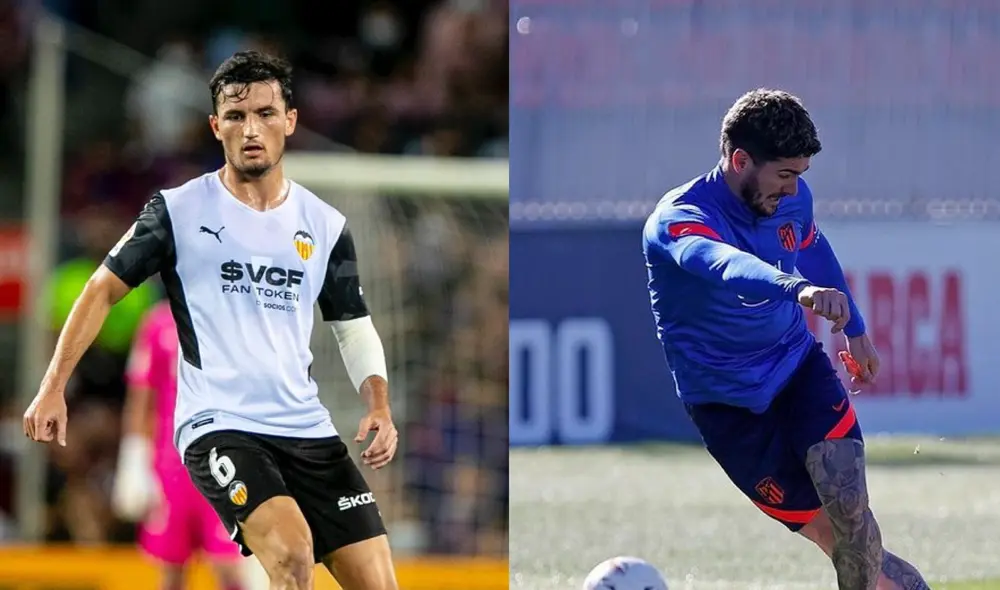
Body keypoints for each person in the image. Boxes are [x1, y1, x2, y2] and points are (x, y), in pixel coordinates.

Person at [24, 50, 400, 590]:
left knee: (379, 583)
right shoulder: (176, 211)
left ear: (290, 121)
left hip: (306, 428)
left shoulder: (325, 224)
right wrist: (53, 385)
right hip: (221, 426)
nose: (252, 128)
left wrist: (379, 405)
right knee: (292, 557)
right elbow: (101, 288)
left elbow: (352, 324)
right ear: (215, 126)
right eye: (236, 115)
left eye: (266, 113)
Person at [642, 89, 929, 590]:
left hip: (797, 370)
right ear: (740, 160)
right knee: (832, 536)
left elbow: (812, 246)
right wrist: (797, 289)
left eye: (800, 176)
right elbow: (725, 265)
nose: (794, 191)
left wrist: (855, 329)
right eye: (785, 175)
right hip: (728, 407)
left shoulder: (793, 199)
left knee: (852, 512)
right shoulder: (677, 220)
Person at [112, 300, 246, 590]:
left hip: (222, 462)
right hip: (170, 466)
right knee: (171, 568)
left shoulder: (233, 319)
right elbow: (141, 396)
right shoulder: (158, 323)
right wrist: (133, 461)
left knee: (228, 565)